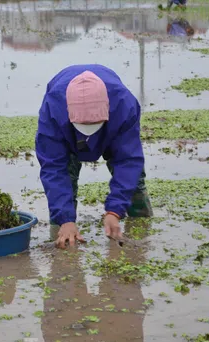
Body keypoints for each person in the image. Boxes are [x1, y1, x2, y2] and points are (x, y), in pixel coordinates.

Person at [35, 64, 153, 249]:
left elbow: (127, 160)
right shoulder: (53, 110)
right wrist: (65, 219)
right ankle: (63, 234)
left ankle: (143, 230)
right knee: (67, 177)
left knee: (135, 181)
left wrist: (114, 211)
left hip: (112, 127)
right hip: (67, 134)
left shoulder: (124, 106)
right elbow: (53, 167)